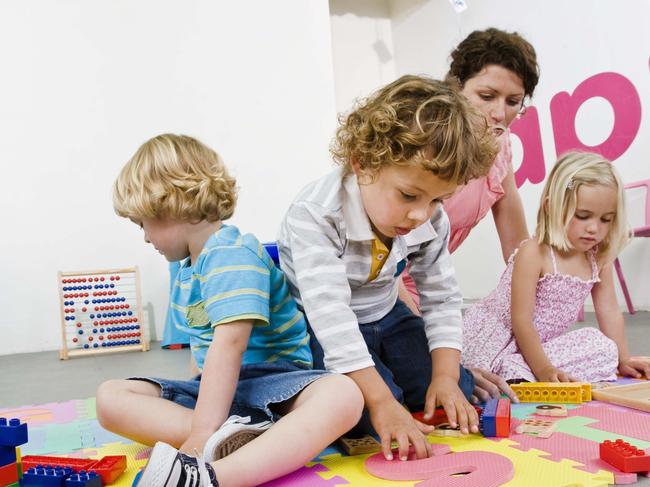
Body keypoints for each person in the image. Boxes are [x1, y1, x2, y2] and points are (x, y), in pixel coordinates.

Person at [96, 134, 363, 487]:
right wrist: (202, 414)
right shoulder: (190, 266)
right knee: (109, 398)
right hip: (221, 396)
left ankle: (213, 476)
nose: (145, 237)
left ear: (170, 206)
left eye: (143, 223)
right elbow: (202, 349)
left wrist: (200, 432)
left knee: (343, 395)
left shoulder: (231, 254)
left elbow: (230, 344)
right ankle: (249, 441)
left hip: (273, 382)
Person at [277, 75, 497, 462]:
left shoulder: (430, 216)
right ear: (362, 164)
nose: (420, 215)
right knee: (365, 412)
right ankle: (291, 395)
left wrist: (445, 376)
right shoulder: (317, 213)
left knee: (455, 385)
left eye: (437, 199)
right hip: (321, 327)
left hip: (386, 315)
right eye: (409, 195)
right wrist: (380, 402)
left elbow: (441, 296)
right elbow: (332, 320)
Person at [400, 27, 540, 402]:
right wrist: (436, 351)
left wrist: (536, 325)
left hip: (434, 295)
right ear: (455, 87)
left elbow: (519, 252)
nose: (499, 113)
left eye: (513, 101)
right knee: (453, 384)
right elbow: (384, 267)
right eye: (486, 96)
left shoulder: (501, 146)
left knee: (510, 352)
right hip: (384, 292)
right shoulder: (430, 144)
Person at [461, 151, 650, 383]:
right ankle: (511, 371)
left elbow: (609, 310)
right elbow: (521, 320)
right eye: (583, 216)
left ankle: (517, 371)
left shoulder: (598, 257)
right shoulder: (535, 252)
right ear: (552, 207)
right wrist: (544, 370)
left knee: (603, 347)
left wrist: (623, 358)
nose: (594, 228)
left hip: (537, 347)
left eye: (605, 219)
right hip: (495, 340)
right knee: (491, 367)